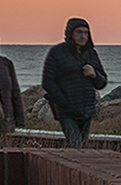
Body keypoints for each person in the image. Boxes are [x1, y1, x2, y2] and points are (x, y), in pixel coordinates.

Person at [41, 17, 107, 147]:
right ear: (70, 33)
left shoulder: (91, 54)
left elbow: (102, 83)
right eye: (79, 32)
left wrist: (94, 74)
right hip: (66, 111)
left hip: (86, 110)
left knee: (82, 146)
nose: (83, 36)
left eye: (86, 33)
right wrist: (63, 101)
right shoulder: (57, 52)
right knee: (75, 144)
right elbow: (47, 82)